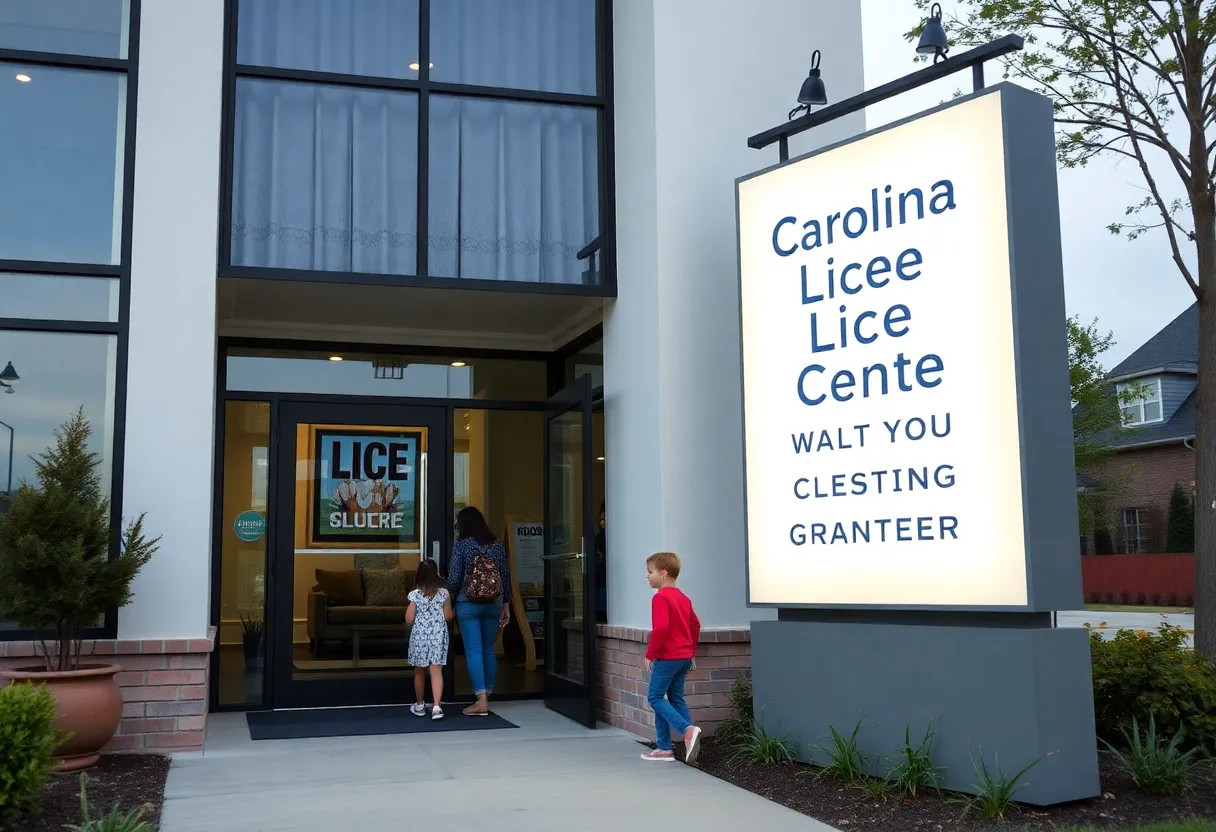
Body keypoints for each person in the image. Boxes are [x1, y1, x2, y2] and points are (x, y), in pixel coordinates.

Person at [447, 506, 511, 717]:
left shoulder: (463, 546)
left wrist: (448, 599)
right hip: (494, 603)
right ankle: (487, 695)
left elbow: (455, 578)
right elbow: (505, 576)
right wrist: (506, 604)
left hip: (468, 603)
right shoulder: (497, 546)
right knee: (488, 650)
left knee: (473, 650)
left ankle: (480, 701)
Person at [640, 552, 703, 764]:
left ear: (663, 573)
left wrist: (650, 653)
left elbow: (661, 629)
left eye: (650, 572)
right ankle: (666, 748)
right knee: (674, 699)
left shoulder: (660, 597)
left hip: (667, 657)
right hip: (684, 657)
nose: (647, 576)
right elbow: (695, 625)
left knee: (655, 698)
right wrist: (690, 651)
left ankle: (687, 730)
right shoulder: (683, 598)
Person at [406, 559, 452, 720]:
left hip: (420, 637)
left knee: (419, 672)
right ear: (435, 573)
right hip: (437, 636)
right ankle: (437, 707)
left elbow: (409, 618)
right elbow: (448, 616)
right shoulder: (444, 594)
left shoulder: (415, 595)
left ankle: (419, 705)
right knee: (436, 671)